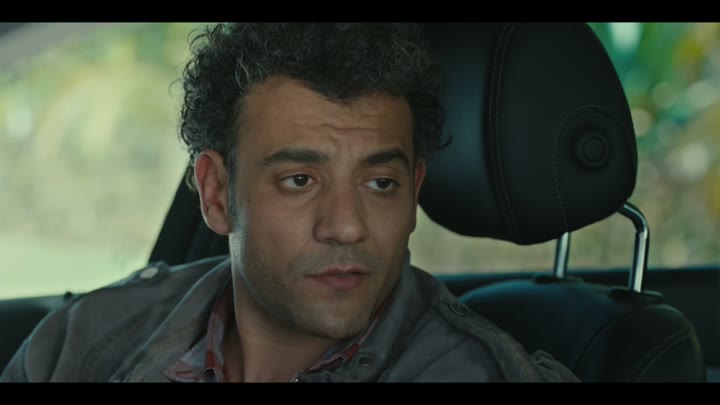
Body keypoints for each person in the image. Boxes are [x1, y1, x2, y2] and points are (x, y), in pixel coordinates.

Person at [1, 23, 579, 383]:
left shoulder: (471, 373)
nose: (346, 227)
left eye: (381, 183)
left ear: (413, 196)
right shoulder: (84, 342)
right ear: (217, 194)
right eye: (300, 180)